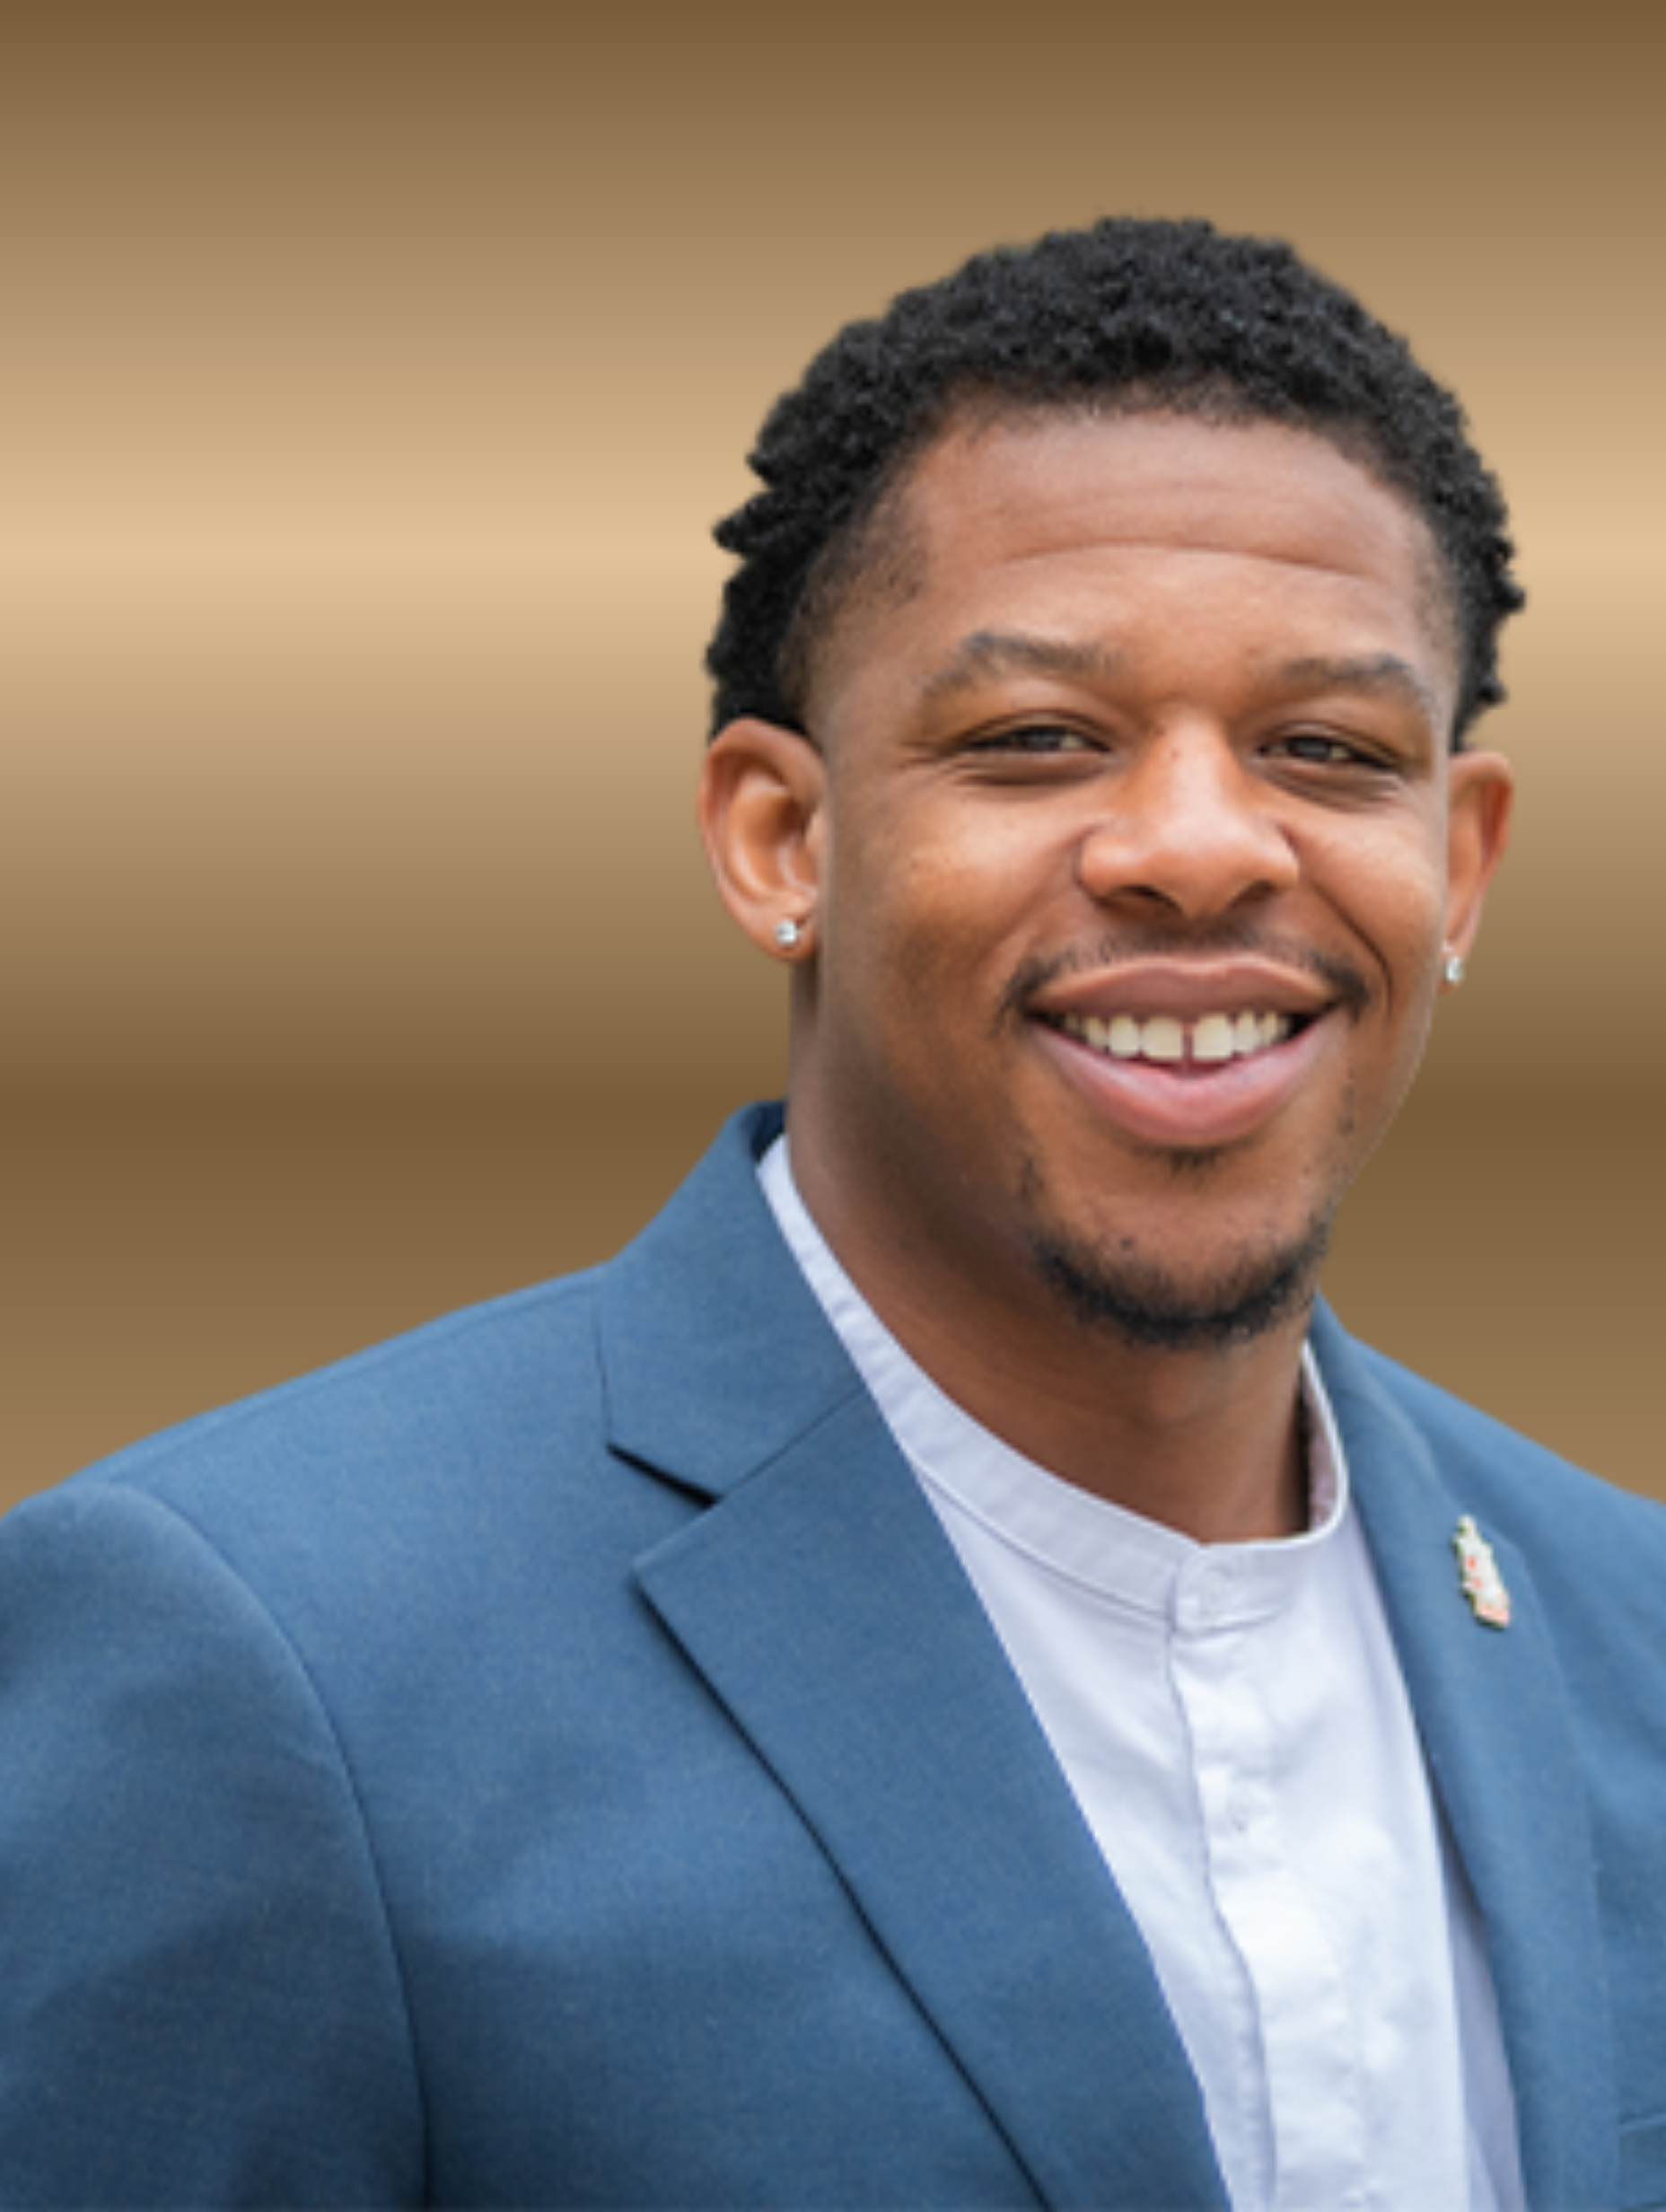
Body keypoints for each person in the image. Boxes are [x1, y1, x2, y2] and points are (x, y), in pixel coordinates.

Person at [0, 218, 1662, 2212]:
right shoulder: (255, 1651)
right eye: (1038, 737)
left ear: (1457, 860)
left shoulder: (1625, 1629)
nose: (1203, 846)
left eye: (1327, 748)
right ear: (781, 836)